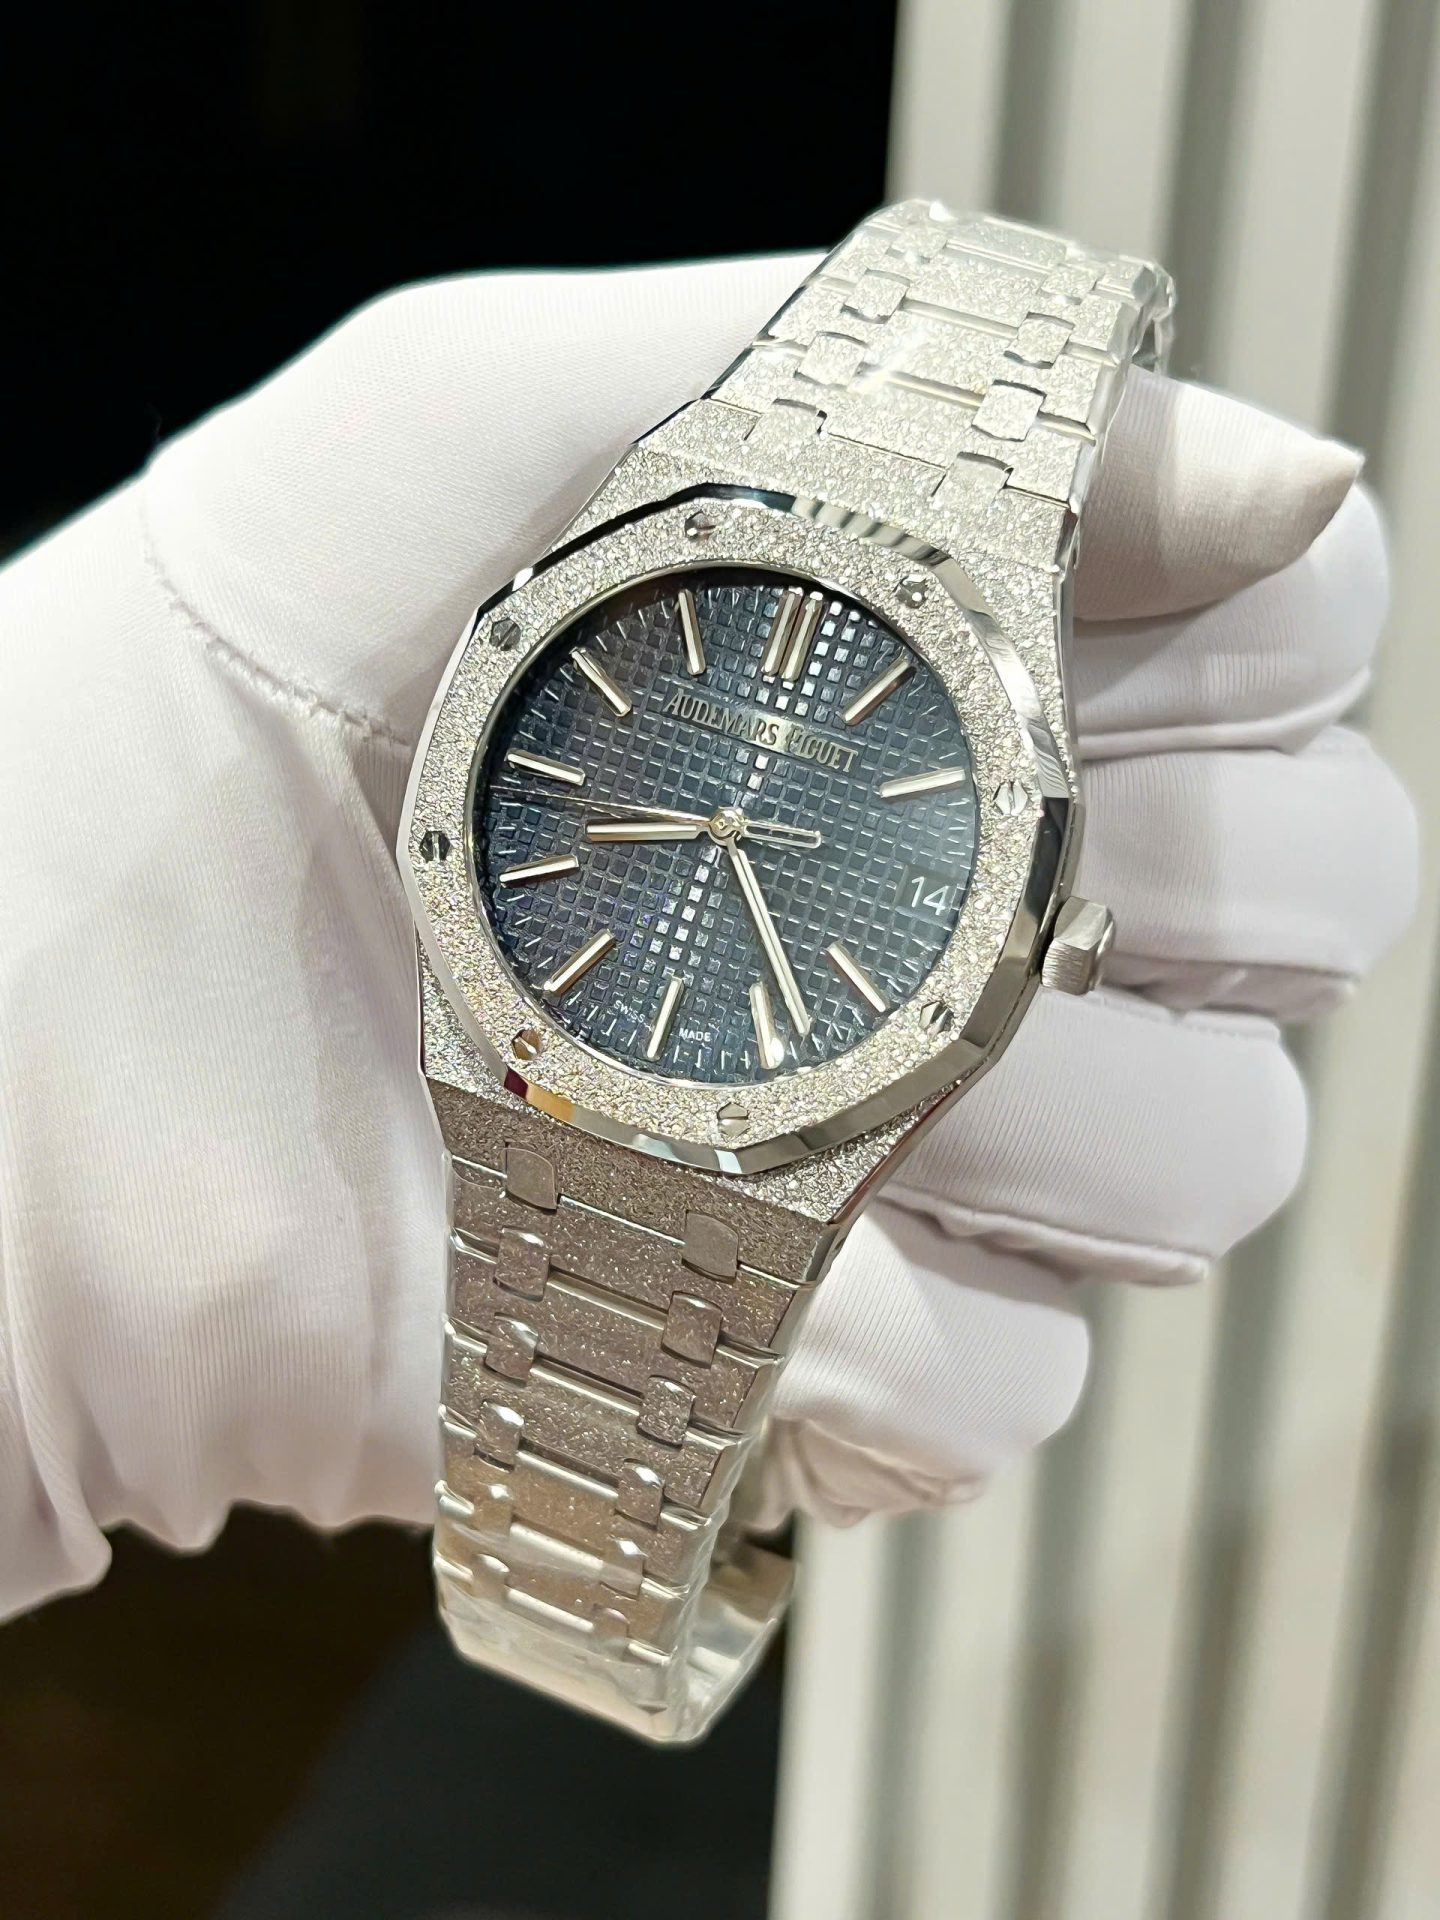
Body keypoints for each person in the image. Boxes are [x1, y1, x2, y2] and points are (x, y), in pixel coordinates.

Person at [0, 255, 1416, 1617]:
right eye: (718, 818)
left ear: (1056, 933)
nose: (728, 826)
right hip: (534, 1016)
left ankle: (592, 1590)